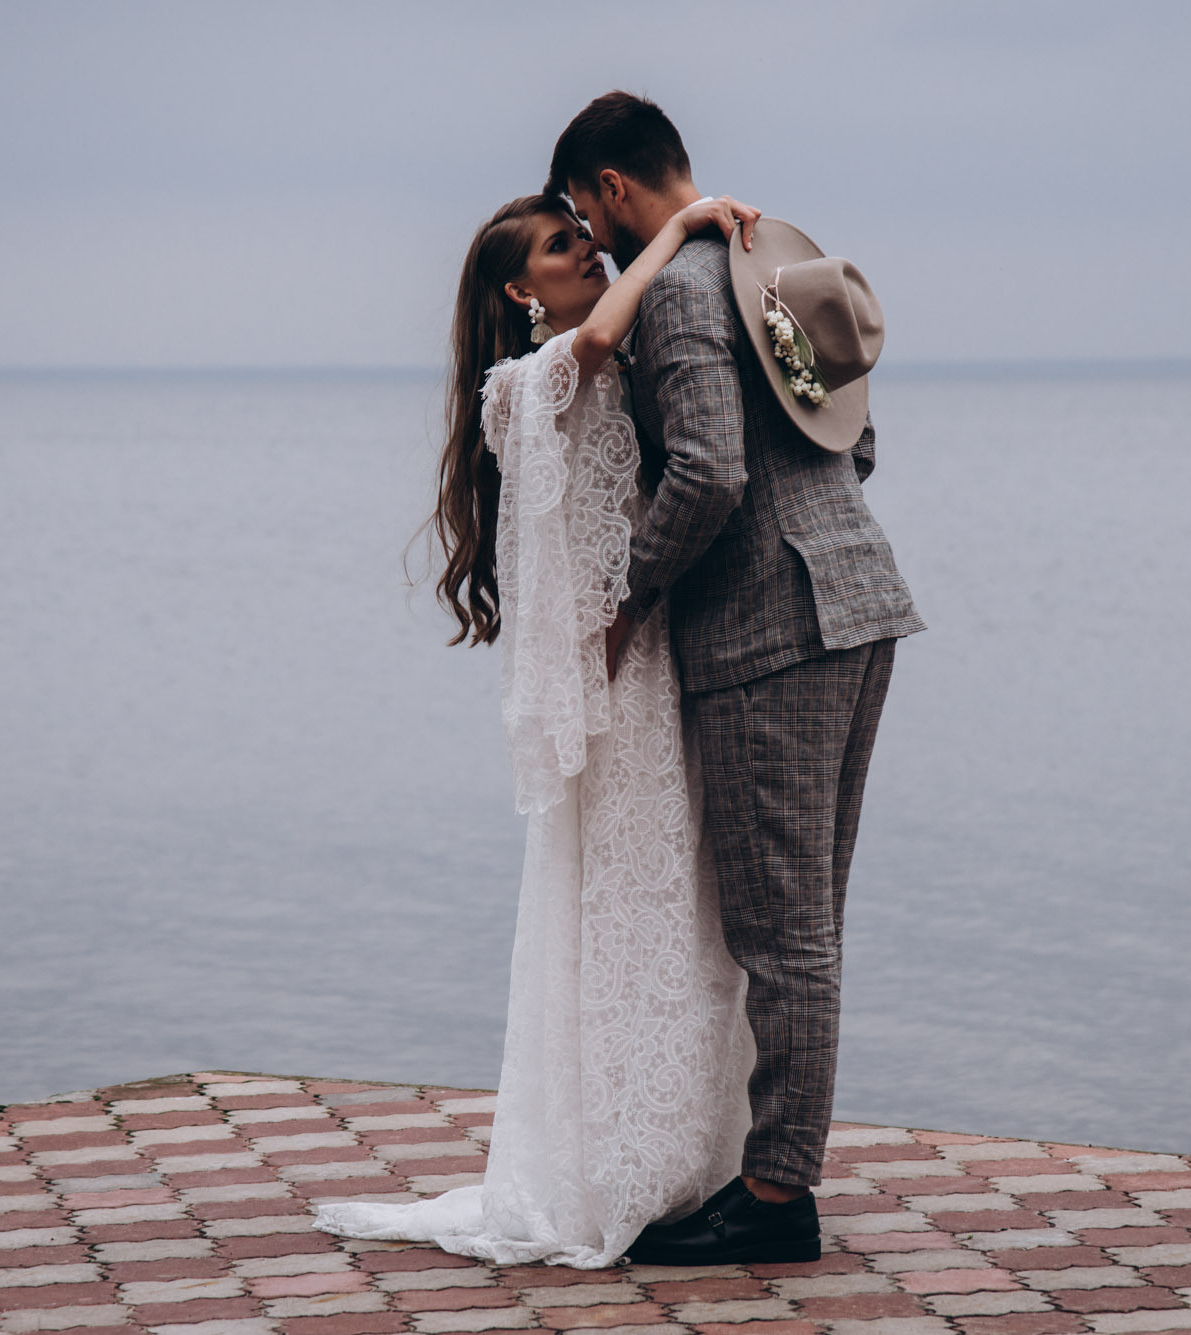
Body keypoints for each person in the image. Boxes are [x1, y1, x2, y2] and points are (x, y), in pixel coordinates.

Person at [309, 189, 769, 1267]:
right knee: (616, 902)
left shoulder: (608, 366)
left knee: (679, 911)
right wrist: (681, 226)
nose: (587, 260)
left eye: (583, 240)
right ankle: (608, 1160)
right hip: (604, 681)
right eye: (565, 250)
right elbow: (602, 334)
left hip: (656, 654)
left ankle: (683, 1153)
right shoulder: (517, 389)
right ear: (520, 290)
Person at [548, 92, 925, 1266]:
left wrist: (626, 603)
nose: (591, 242)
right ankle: (774, 1178)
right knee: (810, 918)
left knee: (783, 931)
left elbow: (706, 475)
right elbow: (851, 440)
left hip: (772, 627)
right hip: (858, 595)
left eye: (582, 214)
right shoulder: (759, 257)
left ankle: (773, 1200)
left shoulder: (671, 289)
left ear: (612, 187)